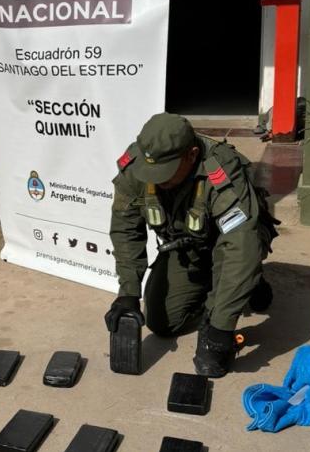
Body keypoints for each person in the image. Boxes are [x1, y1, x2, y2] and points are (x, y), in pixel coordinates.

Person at [105, 113, 279, 378]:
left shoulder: (221, 170)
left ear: (192, 154)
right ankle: (225, 289)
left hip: (229, 244)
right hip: (187, 249)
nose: (157, 179)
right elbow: (126, 228)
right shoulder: (138, 165)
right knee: (163, 323)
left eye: (166, 171)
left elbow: (240, 244)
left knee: (211, 360)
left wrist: (221, 325)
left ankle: (244, 285)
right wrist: (128, 291)